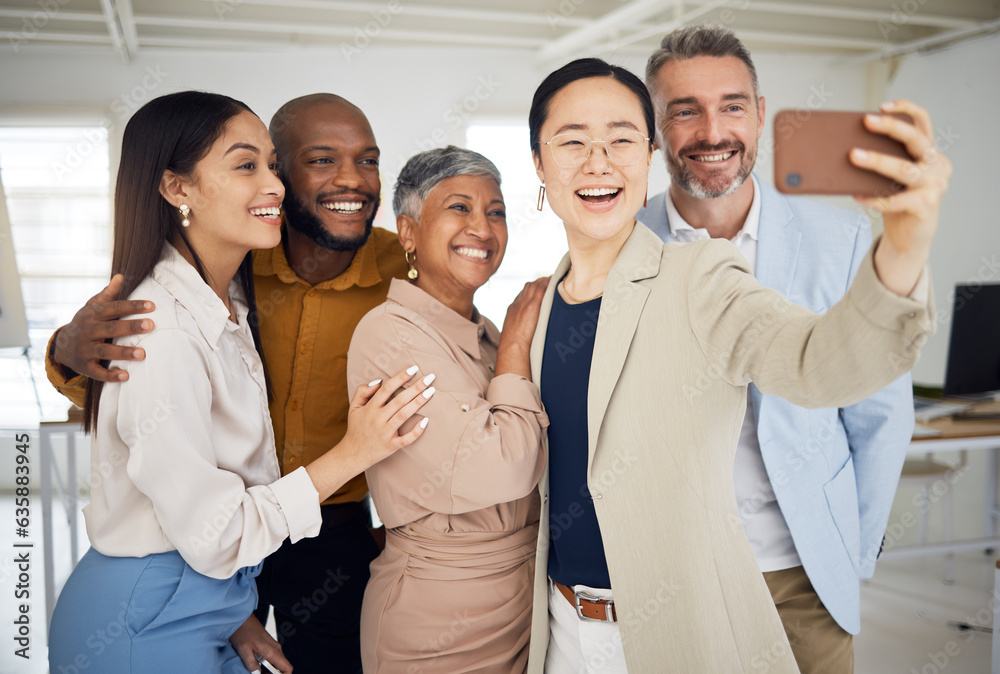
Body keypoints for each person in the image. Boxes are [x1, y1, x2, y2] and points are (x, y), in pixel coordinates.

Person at [524, 57, 948, 673]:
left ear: (649, 156)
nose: (598, 162)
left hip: (673, 631)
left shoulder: (699, 274)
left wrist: (905, 247)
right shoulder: (539, 307)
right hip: (561, 631)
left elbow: (816, 362)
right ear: (538, 162)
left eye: (620, 140)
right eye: (572, 142)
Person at [46, 91, 432, 674]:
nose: (272, 185)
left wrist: (227, 608)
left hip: (268, 559)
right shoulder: (183, 309)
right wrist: (66, 349)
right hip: (185, 578)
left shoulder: (230, 299)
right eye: (252, 165)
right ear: (177, 189)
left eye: (269, 166)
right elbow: (142, 404)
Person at [635, 25, 914, 672]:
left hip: (804, 573)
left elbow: (881, 415)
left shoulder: (841, 239)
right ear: (655, 130)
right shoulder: (624, 247)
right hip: (677, 574)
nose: (712, 131)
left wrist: (850, 546)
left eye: (732, 106)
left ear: (761, 116)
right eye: (685, 111)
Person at [346, 146, 549, 673]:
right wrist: (515, 353)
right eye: (459, 208)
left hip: (523, 604)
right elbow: (503, 466)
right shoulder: (389, 333)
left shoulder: (486, 334)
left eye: (496, 211)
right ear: (408, 233)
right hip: (438, 622)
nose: (482, 227)